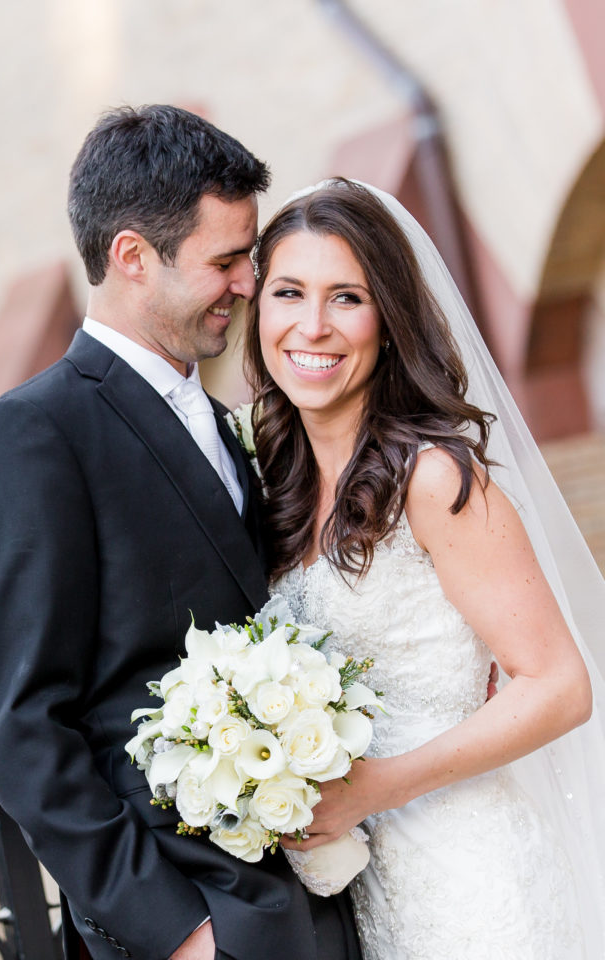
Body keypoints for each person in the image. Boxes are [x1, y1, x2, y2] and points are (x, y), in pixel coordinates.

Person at [0, 109, 363, 960]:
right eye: (225, 261)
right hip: (193, 923)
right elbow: (20, 727)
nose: (249, 284)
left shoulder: (231, 423)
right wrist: (178, 934)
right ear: (133, 257)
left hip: (317, 900)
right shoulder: (33, 434)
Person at [243, 178, 605, 959]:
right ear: (258, 309)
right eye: (289, 292)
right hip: (364, 892)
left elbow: (560, 685)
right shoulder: (275, 483)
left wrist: (377, 787)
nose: (313, 326)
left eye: (347, 297)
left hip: (473, 882)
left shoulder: (434, 478)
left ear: (388, 317)